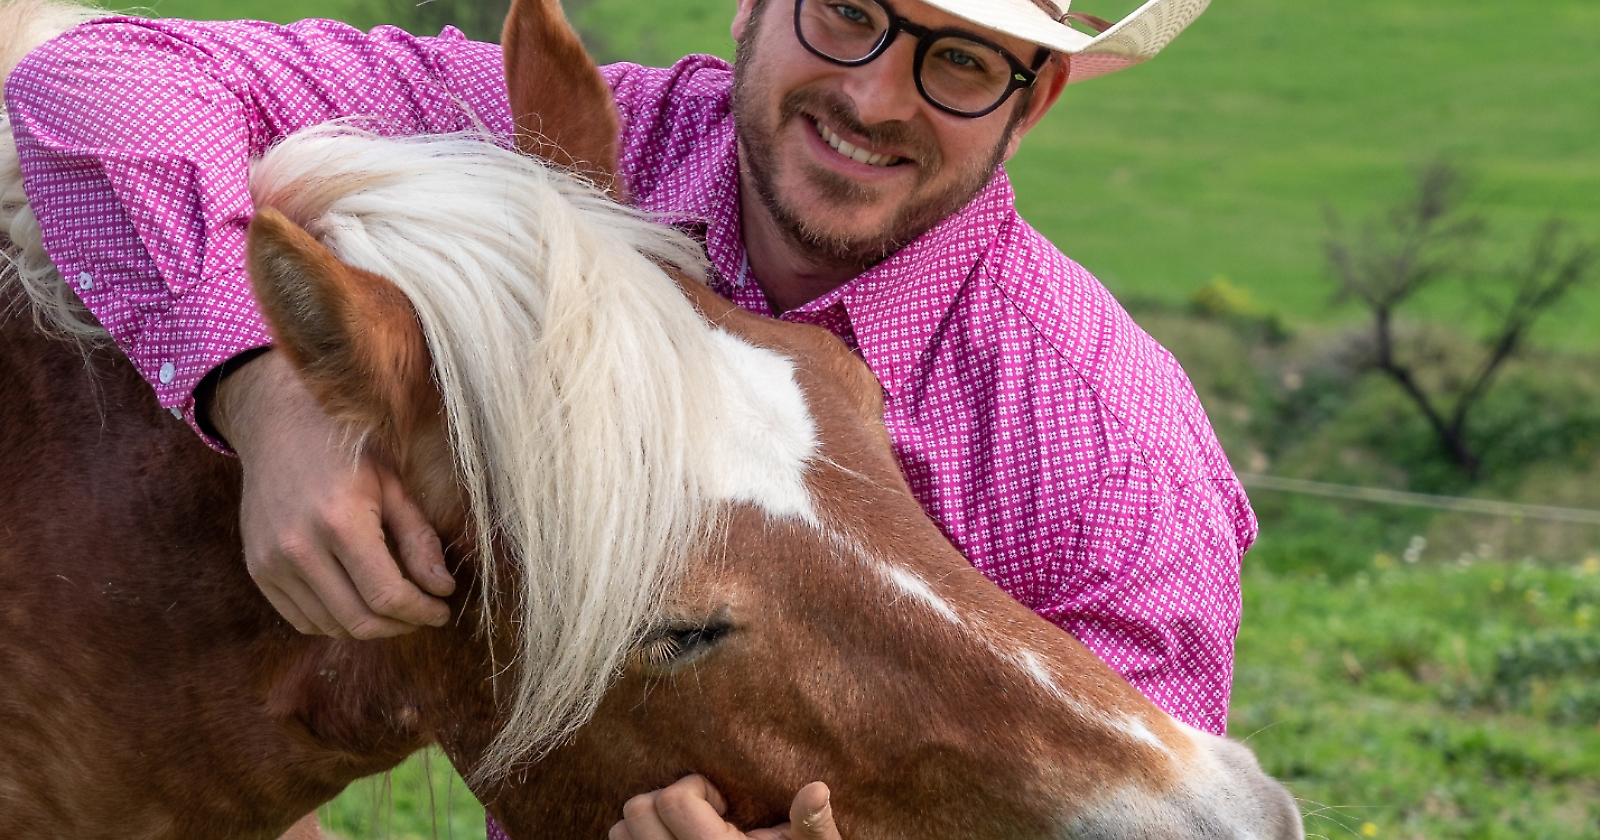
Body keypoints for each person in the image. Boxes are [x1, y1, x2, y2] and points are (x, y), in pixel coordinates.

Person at [4, 0, 1255, 837]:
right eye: (847, 11)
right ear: (755, 5)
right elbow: (92, 78)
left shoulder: (1105, 440)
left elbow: (1146, 809)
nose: (875, 99)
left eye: (964, 58)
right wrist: (264, 387)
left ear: (1030, 105)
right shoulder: (547, 161)